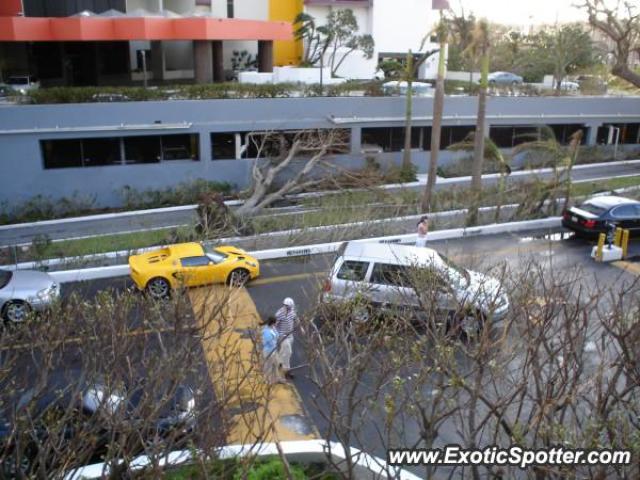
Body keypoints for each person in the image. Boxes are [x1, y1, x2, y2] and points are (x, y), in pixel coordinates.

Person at [275, 297, 297, 379]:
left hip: (290, 336)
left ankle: (278, 363)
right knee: (288, 352)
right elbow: (275, 324)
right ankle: (287, 370)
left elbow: (295, 319)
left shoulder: (292, 312)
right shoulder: (279, 313)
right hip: (283, 336)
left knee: (283, 351)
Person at [261, 316, 284, 384]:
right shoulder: (266, 331)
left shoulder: (273, 328)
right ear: (273, 323)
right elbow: (269, 341)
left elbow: (277, 335)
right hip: (269, 351)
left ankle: (277, 378)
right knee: (269, 365)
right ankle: (267, 380)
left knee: (276, 364)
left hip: (274, 350)